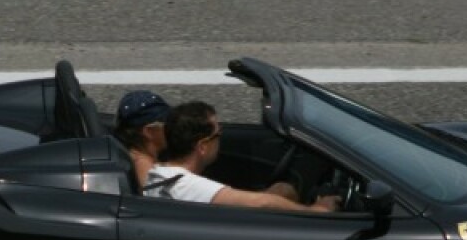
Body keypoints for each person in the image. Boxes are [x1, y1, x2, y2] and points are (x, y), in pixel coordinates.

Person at [144, 102, 340, 213]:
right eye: (217, 135)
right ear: (202, 146)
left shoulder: (159, 172)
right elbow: (261, 203)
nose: (220, 139)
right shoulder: (187, 186)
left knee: (283, 190)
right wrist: (315, 211)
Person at [113, 90, 171, 188]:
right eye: (167, 122)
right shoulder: (146, 169)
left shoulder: (134, 157)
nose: (172, 127)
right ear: (149, 131)